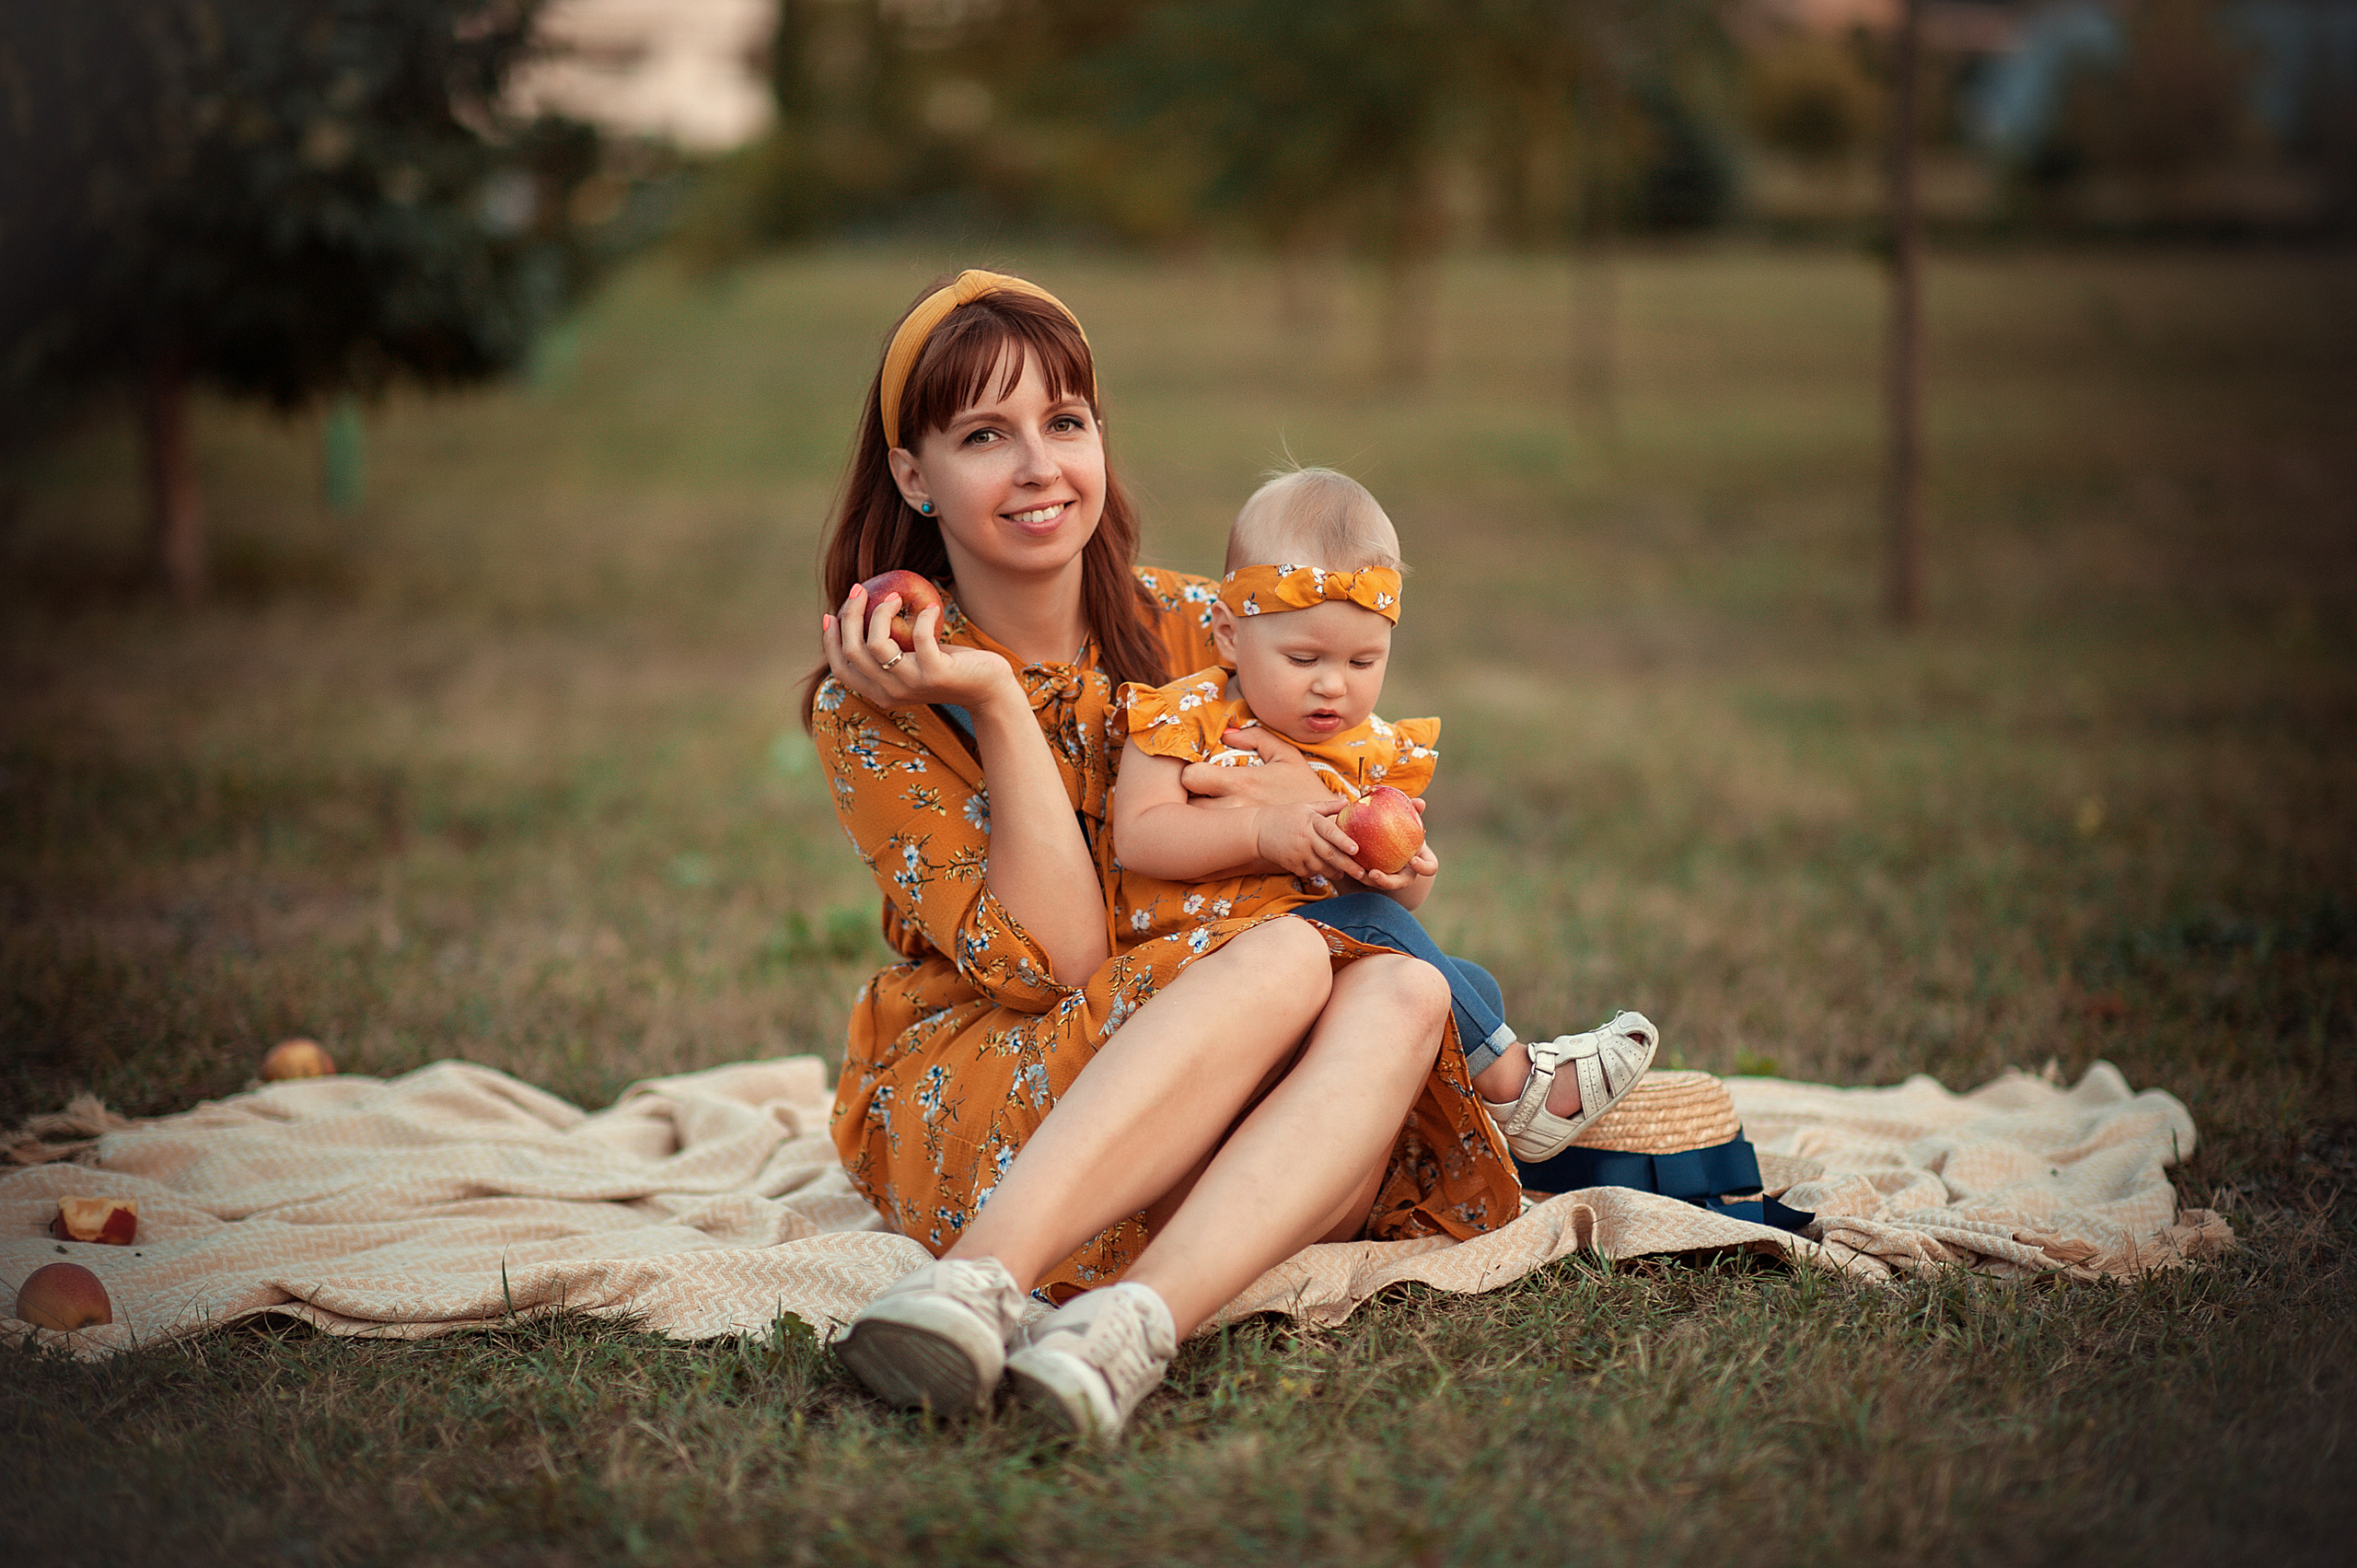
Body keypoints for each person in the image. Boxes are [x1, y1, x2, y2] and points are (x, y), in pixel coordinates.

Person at [808, 271, 1518, 1443]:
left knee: (1404, 984)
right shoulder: (880, 701)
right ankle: (978, 1279)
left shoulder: (1208, 627)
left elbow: (1355, 857)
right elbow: (1058, 962)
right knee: (1291, 958)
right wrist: (994, 699)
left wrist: (1357, 843)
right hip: (1013, 1085)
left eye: (1064, 422)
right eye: (984, 435)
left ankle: (1130, 1325)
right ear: (913, 475)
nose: (1038, 466)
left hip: (1240, 1090)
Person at [1107, 466, 1658, 1165]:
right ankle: (1519, 1088)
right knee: (1384, 936)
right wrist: (1260, 831)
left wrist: (1401, 870)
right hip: (1203, 964)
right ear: (1227, 635)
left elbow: (1399, 901)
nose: (1332, 684)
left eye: (1363, 661)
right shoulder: (1184, 717)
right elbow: (1139, 835)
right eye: (1303, 657)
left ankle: (1419, 1141)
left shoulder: (1369, 751)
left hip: (1319, 965)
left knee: (1466, 986)